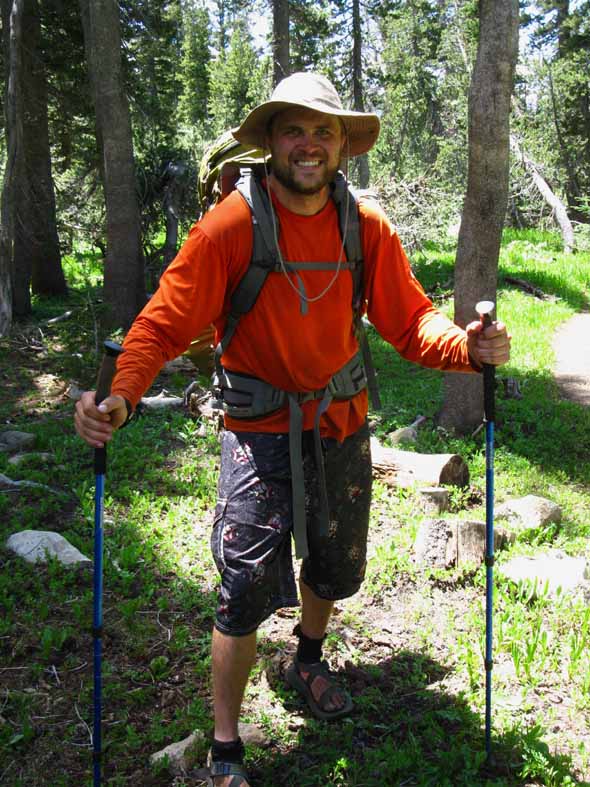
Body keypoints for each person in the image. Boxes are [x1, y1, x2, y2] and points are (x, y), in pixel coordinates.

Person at [75, 72, 511, 787]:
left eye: (324, 131)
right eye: (294, 130)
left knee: (337, 566)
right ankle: (225, 745)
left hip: (341, 422)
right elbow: (162, 322)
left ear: (342, 145)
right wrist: (118, 398)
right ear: (270, 140)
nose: (309, 145)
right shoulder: (231, 225)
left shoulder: (364, 226)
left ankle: (306, 657)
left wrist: (468, 347)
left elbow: (409, 319)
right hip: (257, 428)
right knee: (244, 588)